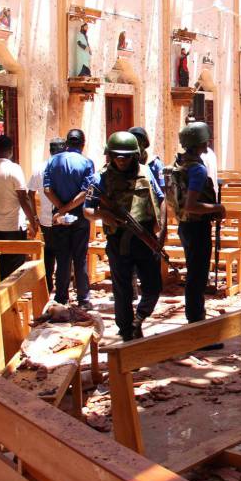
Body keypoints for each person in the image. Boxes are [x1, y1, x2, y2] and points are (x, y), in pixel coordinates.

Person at [85, 132, 164, 340]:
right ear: (110, 155)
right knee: (122, 291)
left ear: (135, 156)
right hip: (118, 240)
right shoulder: (100, 178)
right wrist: (104, 214)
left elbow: (161, 200)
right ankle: (127, 332)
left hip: (144, 238)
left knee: (153, 287)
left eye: (126, 156)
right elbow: (87, 210)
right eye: (117, 156)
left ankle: (139, 318)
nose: (121, 160)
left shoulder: (146, 173)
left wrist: (162, 232)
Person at [169, 123, 226, 331]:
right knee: (197, 276)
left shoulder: (180, 163)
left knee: (195, 274)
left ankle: (195, 316)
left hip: (185, 225)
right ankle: (196, 322)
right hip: (196, 227)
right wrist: (218, 207)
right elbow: (191, 205)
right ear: (202, 142)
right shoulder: (197, 169)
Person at [44, 129, 95, 308]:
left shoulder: (53, 161)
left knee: (62, 257)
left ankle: (61, 297)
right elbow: (85, 192)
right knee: (80, 257)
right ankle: (83, 298)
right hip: (80, 216)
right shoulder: (87, 162)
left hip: (59, 216)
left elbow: (47, 189)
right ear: (82, 144)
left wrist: (60, 209)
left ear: (67, 143)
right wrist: (68, 209)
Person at [0, 135, 38, 280]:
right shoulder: (14, 169)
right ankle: (13, 300)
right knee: (15, 268)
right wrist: (33, 221)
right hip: (14, 227)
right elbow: (23, 199)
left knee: (0, 267)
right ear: (11, 150)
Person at [28, 138, 66, 295]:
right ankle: (61, 288)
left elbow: (30, 193)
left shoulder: (39, 168)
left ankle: (48, 285)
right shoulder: (64, 167)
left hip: (45, 218)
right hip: (62, 217)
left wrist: (34, 216)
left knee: (49, 252)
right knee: (63, 253)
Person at [129, 126, 165, 191]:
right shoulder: (125, 163)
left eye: (139, 143)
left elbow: (162, 188)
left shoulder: (155, 163)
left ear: (144, 144)